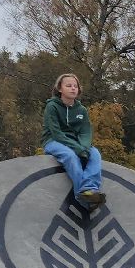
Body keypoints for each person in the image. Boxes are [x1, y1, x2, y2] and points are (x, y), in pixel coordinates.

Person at [42, 74, 104, 208]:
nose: (73, 89)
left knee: (95, 154)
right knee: (70, 156)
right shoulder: (52, 107)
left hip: (77, 142)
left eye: (75, 86)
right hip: (53, 141)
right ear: (60, 89)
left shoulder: (81, 110)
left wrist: (85, 147)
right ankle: (82, 197)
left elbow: (86, 132)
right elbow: (56, 133)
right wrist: (77, 149)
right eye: (68, 86)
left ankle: (90, 189)